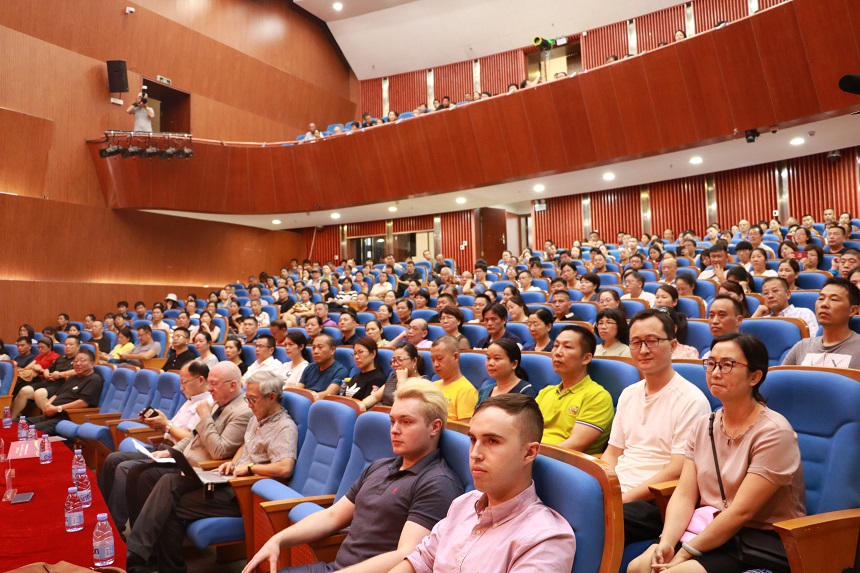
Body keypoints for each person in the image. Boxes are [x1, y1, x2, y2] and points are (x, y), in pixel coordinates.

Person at [627, 333, 805, 573]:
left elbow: (741, 512)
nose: (715, 372)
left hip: (757, 539)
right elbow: (685, 494)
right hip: (709, 525)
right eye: (711, 364)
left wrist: (685, 553)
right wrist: (667, 542)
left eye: (727, 364)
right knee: (638, 567)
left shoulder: (774, 432)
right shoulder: (704, 425)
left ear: (754, 376)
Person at [243, 381, 464, 573]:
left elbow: (406, 555)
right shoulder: (380, 466)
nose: (395, 430)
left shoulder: (437, 482)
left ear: (434, 427)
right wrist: (278, 539)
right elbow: (332, 517)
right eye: (392, 421)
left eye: (406, 422)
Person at [126, 370, 296, 573]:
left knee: (167, 503)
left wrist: (250, 468)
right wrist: (232, 463)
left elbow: (285, 467)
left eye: (253, 399)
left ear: (272, 397)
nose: (249, 404)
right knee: (169, 482)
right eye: (247, 399)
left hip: (243, 495)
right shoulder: (257, 418)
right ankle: (143, 556)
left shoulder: (284, 427)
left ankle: (141, 557)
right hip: (229, 480)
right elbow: (246, 445)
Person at [393, 394, 576, 573]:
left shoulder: (544, 539)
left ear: (529, 453)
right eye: (473, 440)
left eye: (492, 441)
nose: (475, 454)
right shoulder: (463, 504)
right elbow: (420, 561)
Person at [602, 309, 710, 546]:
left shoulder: (691, 400)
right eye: (636, 342)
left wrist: (620, 499)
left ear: (673, 345)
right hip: (617, 490)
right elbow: (613, 452)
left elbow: (676, 471)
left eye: (652, 341)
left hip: (655, 500)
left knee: (593, 519)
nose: (643, 350)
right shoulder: (629, 393)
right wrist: (606, 488)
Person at [98, 361, 213, 529]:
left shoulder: (206, 404)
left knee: (124, 468)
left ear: (201, 380)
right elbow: (172, 429)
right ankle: (101, 513)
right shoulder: (190, 400)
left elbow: (192, 439)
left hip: (177, 455)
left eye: (184, 382)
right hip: (162, 447)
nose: (181, 387)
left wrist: (166, 424)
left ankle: (115, 527)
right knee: (112, 459)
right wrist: (158, 423)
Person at [535, 325, 614, 454]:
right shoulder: (546, 392)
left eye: (567, 347)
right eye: (556, 345)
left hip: (561, 462)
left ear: (586, 358)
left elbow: (575, 445)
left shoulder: (597, 396)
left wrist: (528, 455)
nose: (558, 352)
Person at [783, 276, 860, 368]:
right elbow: (781, 376)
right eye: (821, 298)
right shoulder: (802, 346)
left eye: (834, 299)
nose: (824, 304)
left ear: (852, 310)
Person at [25, 348, 104, 435]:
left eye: (82, 361)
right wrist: (48, 405)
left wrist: (57, 409)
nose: (78, 364)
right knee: (18, 423)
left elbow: (83, 403)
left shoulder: (94, 379)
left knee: (28, 432)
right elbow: (57, 395)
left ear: (92, 363)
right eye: (75, 361)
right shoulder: (72, 377)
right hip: (51, 414)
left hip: (66, 418)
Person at [363, 342, 425, 409]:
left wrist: (401, 381)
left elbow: (403, 407)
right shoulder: (394, 377)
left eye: (400, 360)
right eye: (394, 360)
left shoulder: (421, 384)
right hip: (379, 411)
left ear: (414, 361)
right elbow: (375, 397)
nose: (395, 364)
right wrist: (361, 405)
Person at [431, 336, 478, 421]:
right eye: (433, 360)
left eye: (440, 359)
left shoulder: (466, 391)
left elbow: (464, 427)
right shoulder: (432, 386)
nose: (435, 364)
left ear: (455, 357)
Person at [477, 339, 536, 405]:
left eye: (497, 358)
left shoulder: (525, 392)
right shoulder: (485, 391)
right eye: (488, 358)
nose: (490, 363)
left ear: (514, 364)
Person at [752, 277, 819, 334]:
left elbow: (813, 341)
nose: (770, 296)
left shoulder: (803, 314)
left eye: (775, 291)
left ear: (787, 294)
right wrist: (756, 316)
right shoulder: (763, 319)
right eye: (766, 293)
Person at [703, 294, 745, 358]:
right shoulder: (707, 356)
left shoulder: (748, 353)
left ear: (738, 320)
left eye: (722, 315)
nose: (714, 321)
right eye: (711, 315)